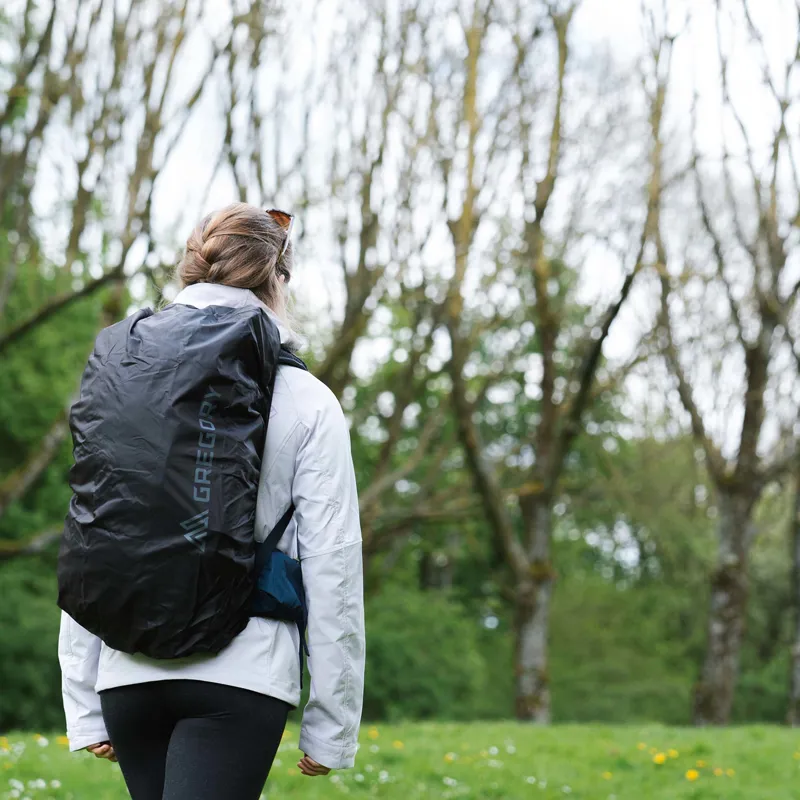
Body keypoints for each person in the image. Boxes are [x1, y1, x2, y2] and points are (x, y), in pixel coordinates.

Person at [58, 203, 366, 800]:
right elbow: (333, 563)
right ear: (278, 279)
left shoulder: (124, 375)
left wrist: (84, 695)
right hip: (240, 675)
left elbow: (93, 532)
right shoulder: (305, 398)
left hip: (127, 673)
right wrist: (331, 725)